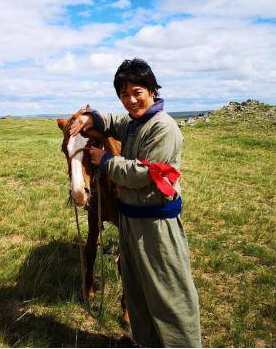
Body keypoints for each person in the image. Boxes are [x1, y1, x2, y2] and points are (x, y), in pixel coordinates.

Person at [70, 58, 201, 347]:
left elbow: (144, 174)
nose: (130, 100)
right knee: (137, 290)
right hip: (130, 220)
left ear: (152, 90)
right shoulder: (135, 122)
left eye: (137, 92)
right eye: (124, 94)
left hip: (156, 224)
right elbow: (118, 121)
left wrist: (105, 161)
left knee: (169, 294)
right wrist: (92, 119)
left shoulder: (163, 128)